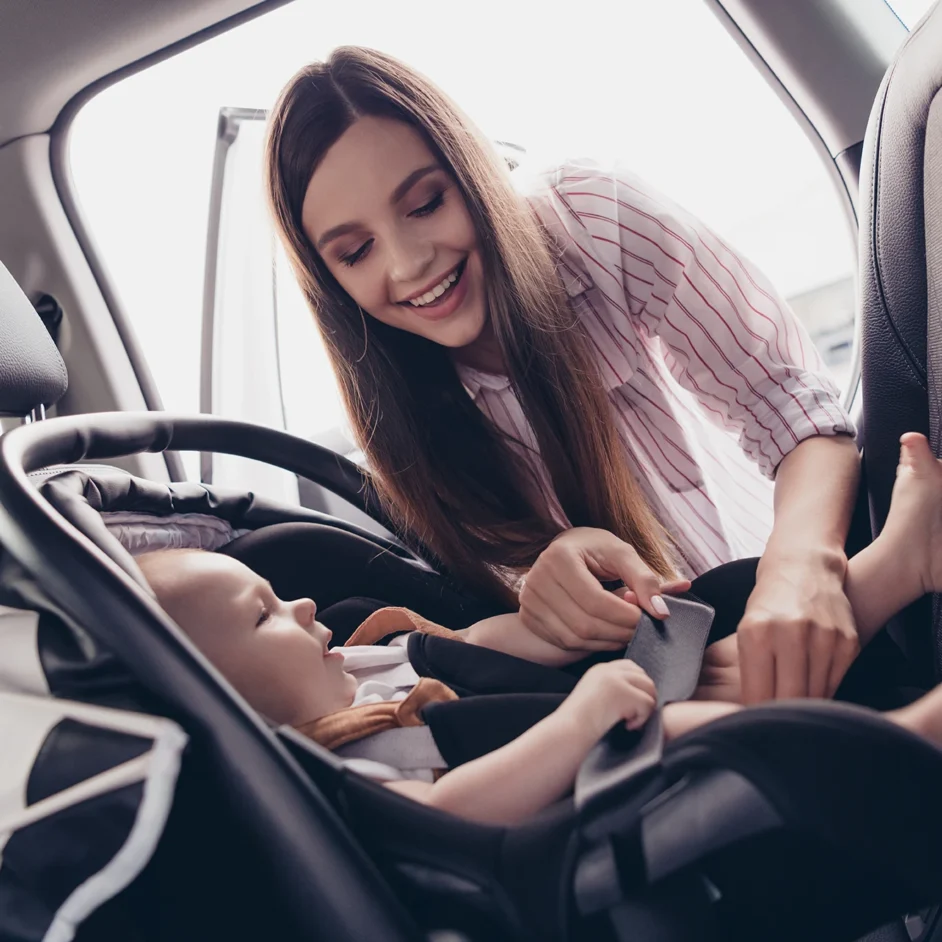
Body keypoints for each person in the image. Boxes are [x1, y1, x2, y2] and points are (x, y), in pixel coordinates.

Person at [264, 46, 861, 705]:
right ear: (331, 281)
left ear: (470, 170)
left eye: (427, 204)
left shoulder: (593, 217)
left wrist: (801, 568)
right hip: (683, 690)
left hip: (796, 576)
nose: (408, 264)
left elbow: (790, 404)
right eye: (356, 251)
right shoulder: (400, 420)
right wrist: (549, 599)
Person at [139, 433, 942, 827]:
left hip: (585, 694)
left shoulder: (353, 659)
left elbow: (474, 645)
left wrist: (546, 632)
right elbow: (452, 809)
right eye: (265, 616)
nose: (303, 607)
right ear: (231, 706)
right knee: (712, 730)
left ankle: (899, 565)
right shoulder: (340, 768)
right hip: (591, 782)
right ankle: (909, 743)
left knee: (732, 610)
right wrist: (579, 720)